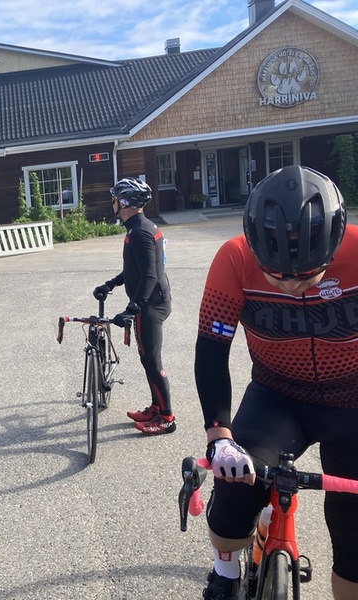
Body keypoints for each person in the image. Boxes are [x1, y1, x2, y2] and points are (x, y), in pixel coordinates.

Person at [196, 166, 358, 600]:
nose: (290, 285)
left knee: (355, 542)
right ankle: (225, 572)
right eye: (276, 275)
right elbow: (212, 349)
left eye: (306, 275)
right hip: (277, 397)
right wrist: (219, 436)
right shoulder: (234, 257)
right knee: (234, 491)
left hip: (353, 402)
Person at [93, 177, 175, 435]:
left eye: (115, 199)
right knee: (146, 359)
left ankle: (166, 418)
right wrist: (111, 284)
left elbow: (150, 275)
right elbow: (136, 268)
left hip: (150, 305)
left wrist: (133, 308)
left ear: (125, 202)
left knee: (152, 361)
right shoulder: (140, 227)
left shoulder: (139, 232)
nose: (112, 203)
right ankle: (156, 407)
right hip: (152, 301)